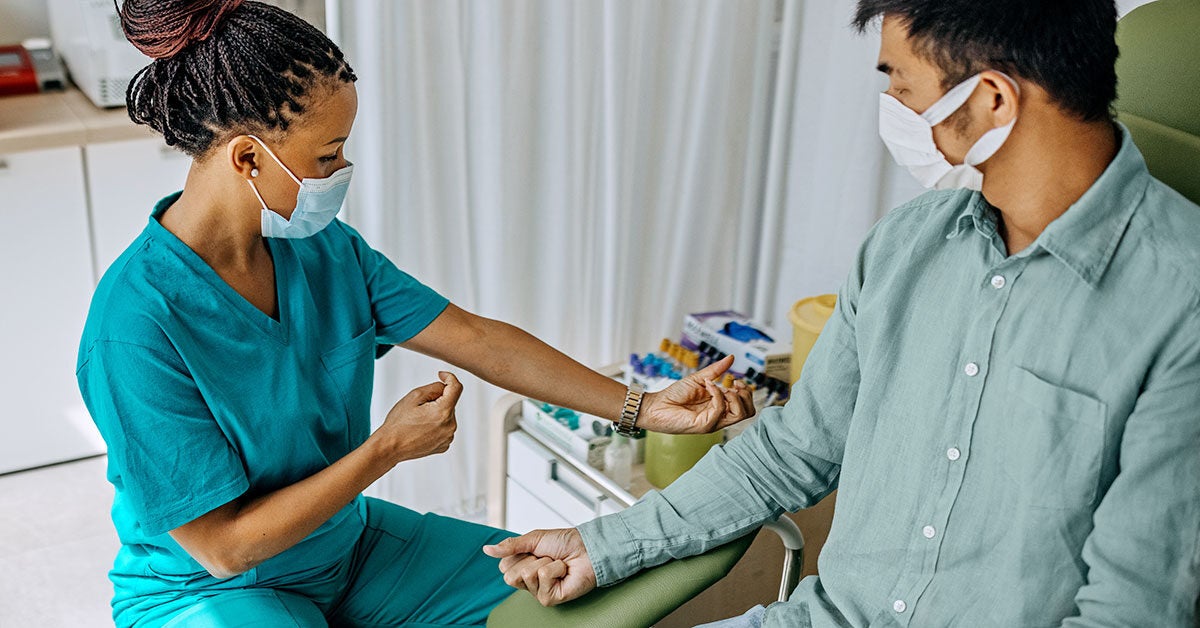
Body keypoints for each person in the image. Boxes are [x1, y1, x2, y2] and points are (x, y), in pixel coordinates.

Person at [485, 1, 1200, 625]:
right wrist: (604, 543)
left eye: (902, 83)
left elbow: (1133, 607)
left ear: (990, 100)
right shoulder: (907, 245)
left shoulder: (1179, 305)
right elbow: (794, 449)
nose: (895, 104)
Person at [77, 1, 754, 626]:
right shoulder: (134, 328)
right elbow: (223, 548)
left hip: (347, 547)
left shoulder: (322, 250)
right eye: (327, 155)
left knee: (574, 585)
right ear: (248, 157)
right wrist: (385, 451)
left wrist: (644, 406)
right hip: (210, 592)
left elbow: (478, 339)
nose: (342, 170)